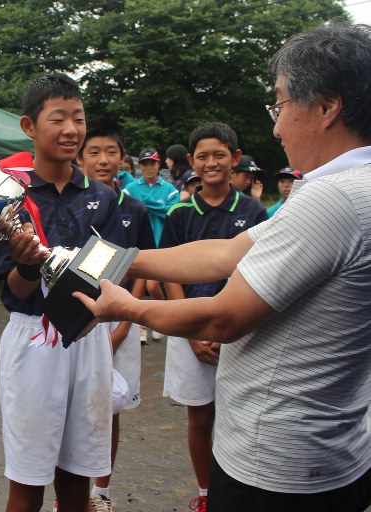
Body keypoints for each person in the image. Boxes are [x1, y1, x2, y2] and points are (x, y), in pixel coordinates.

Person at [76, 22, 371, 512]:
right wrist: (110, 257)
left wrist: (128, 307)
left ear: (325, 107)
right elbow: (224, 252)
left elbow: (223, 317)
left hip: (279, 463)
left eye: (279, 104)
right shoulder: (349, 186)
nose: (275, 126)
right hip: (330, 451)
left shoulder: (332, 200)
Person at [0, 73, 125, 512]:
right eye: (58, 118)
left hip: (88, 337)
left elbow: (112, 271)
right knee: (27, 483)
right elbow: (12, 289)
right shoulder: (8, 199)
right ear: (29, 126)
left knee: (77, 481)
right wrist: (27, 264)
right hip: (33, 338)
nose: (71, 130)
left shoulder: (103, 197)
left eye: (78, 118)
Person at [159, 122, 267, 511]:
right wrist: (188, 331)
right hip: (189, 328)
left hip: (241, 330)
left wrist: (230, 328)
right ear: (191, 162)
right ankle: (206, 495)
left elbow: (260, 273)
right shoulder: (179, 212)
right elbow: (169, 274)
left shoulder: (256, 211)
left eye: (219, 154)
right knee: (200, 417)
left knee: (241, 418)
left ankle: (236, 493)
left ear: (235, 159)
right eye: (202, 156)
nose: (211, 162)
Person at [76, 118, 155, 512]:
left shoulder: (135, 209)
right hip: (79, 317)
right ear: (80, 157)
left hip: (122, 316)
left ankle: (100, 494)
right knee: (75, 404)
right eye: (94, 152)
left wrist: (126, 324)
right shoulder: (72, 203)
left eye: (110, 152)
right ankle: (71, 495)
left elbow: (143, 268)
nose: (103, 160)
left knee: (112, 407)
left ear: (122, 158)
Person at [124, 148, 178, 339]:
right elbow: (123, 207)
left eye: (152, 163)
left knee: (153, 287)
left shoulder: (169, 190)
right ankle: (140, 326)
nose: (148, 167)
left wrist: (146, 204)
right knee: (135, 289)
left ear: (158, 164)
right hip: (137, 246)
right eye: (144, 163)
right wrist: (151, 205)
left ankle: (160, 319)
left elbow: (171, 212)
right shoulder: (131, 188)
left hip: (160, 246)